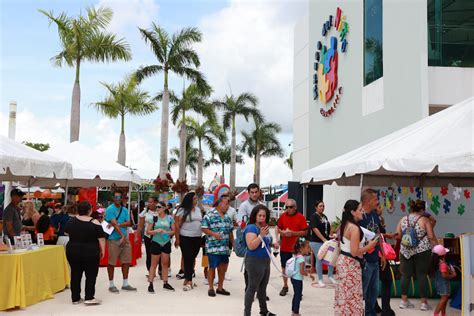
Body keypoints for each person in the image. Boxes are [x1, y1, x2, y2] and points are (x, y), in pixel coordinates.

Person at [334, 200, 378, 315]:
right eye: (360, 209)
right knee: (351, 297)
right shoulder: (354, 228)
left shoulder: (345, 224)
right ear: (353, 212)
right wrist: (369, 246)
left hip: (344, 263)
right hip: (350, 265)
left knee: (344, 296)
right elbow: (354, 252)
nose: (362, 211)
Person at [396, 199, 438, 311]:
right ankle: (424, 303)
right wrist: (438, 247)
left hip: (405, 250)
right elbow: (431, 236)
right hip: (422, 250)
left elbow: (398, 235)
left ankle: (404, 301)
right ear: (423, 210)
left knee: (405, 275)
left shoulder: (403, 219)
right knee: (422, 275)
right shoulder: (425, 220)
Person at [64, 201, 106, 305]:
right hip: (90, 251)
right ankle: (89, 297)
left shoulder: (71, 221)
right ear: (89, 210)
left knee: (75, 274)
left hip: (73, 250)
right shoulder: (94, 222)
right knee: (91, 274)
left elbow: (66, 232)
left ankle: (75, 298)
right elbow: (101, 238)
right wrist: (103, 250)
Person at [243, 205, 277, 316]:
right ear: (255, 216)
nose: (262, 217)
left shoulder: (264, 227)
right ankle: (247, 312)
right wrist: (261, 235)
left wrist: (273, 244)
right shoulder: (251, 228)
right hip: (254, 260)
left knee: (263, 287)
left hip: (265, 260)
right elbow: (251, 245)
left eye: (264, 215)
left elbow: (264, 243)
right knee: (252, 287)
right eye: (260, 215)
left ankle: (264, 310)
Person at [359, 189, 387, 316]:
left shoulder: (375, 215)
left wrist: (383, 254)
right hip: (364, 260)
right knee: (362, 292)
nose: (377, 202)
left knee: (374, 292)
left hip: (375, 259)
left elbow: (378, 235)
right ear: (368, 200)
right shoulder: (359, 216)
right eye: (375, 199)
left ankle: (370, 314)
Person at [105, 190, 137, 293]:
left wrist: (119, 226)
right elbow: (113, 223)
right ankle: (111, 284)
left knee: (126, 261)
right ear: (113, 198)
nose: (117, 199)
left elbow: (128, 222)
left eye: (119, 197)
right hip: (114, 239)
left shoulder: (124, 210)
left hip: (124, 238)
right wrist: (122, 234)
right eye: (116, 197)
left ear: (122, 198)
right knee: (111, 262)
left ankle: (125, 283)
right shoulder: (110, 209)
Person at [274, 199, 308, 296]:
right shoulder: (283, 216)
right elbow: (278, 227)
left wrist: (293, 233)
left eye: (291, 207)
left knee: (297, 269)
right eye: (287, 207)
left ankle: (298, 290)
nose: (288, 209)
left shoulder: (301, 217)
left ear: (295, 207)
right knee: (284, 267)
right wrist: (282, 233)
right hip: (285, 247)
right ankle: (285, 286)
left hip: (296, 248)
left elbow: (305, 232)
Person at [201, 198, 234, 297]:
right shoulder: (209, 215)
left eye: (228, 204)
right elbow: (203, 228)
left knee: (223, 268)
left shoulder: (227, 217)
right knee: (212, 267)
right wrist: (214, 234)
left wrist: (234, 244)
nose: (228, 206)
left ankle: (220, 287)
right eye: (226, 204)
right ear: (219, 204)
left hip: (224, 248)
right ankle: (211, 288)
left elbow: (230, 231)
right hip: (213, 247)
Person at [146, 201, 176, 293]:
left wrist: (166, 232)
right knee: (153, 264)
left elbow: (174, 231)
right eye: (157, 207)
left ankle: (165, 283)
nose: (157, 209)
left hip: (166, 242)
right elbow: (148, 231)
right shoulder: (154, 218)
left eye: (159, 207)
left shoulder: (170, 218)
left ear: (164, 208)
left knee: (165, 264)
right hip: (156, 242)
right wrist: (156, 231)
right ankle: (150, 284)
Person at [175, 192, 202, 291]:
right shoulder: (182, 210)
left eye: (196, 198)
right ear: (189, 199)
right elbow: (177, 225)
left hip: (197, 236)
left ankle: (186, 278)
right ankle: (189, 280)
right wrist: (177, 239)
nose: (196, 200)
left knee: (193, 256)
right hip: (185, 236)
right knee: (188, 257)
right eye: (194, 198)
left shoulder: (198, 209)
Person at [308, 200, 336, 287]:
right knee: (319, 259)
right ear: (316, 207)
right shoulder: (314, 217)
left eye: (323, 206)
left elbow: (327, 229)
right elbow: (315, 229)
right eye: (320, 206)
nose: (322, 208)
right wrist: (323, 239)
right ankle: (320, 279)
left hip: (326, 241)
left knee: (331, 258)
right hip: (316, 241)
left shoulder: (324, 216)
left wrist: (331, 235)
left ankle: (330, 276)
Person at [290, 239, 315, 316]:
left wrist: (307, 270)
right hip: (298, 279)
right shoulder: (301, 259)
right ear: (301, 248)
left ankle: (294, 311)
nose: (309, 249)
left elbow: (300, 269)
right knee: (298, 295)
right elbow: (301, 271)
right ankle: (296, 313)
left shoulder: (297, 256)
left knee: (296, 294)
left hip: (294, 278)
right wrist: (309, 275)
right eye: (307, 247)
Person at [136, 196, 159, 275]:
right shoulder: (144, 212)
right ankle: (150, 272)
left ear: (155, 203)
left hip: (158, 236)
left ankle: (159, 269)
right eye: (149, 202)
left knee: (158, 254)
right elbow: (140, 226)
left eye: (151, 202)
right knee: (149, 254)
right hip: (148, 236)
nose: (149, 203)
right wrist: (136, 236)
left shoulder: (160, 211)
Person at [431, 245, 456, 316]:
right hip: (444, 284)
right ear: (444, 254)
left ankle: (443, 313)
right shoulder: (443, 264)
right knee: (443, 300)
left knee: (444, 299)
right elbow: (444, 276)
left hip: (439, 283)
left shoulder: (436, 263)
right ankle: (435, 314)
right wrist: (452, 275)